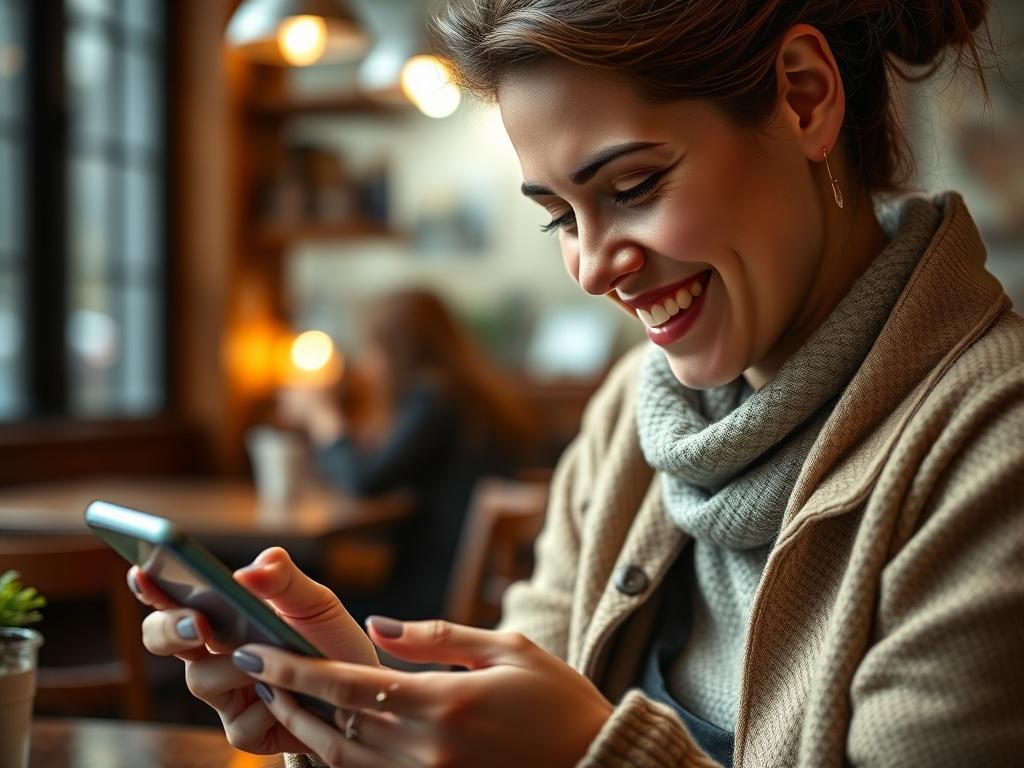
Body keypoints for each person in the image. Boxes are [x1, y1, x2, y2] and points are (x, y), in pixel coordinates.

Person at [128, 1, 1024, 766]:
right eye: (560, 215)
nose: (594, 269)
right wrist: (352, 714)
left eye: (634, 185)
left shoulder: (992, 446)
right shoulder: (628, 417)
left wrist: (589, 754)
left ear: (804, 96)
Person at [278, 287, 539, 620]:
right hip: (459, 593)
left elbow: (364, 482)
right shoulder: (469, 397)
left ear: (398, 350)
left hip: (428, 602)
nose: (369, 366)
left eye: (374, 350)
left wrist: (323, 417)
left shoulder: (437, 399)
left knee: (294, 608)